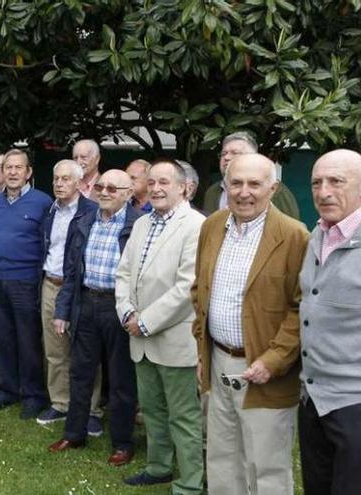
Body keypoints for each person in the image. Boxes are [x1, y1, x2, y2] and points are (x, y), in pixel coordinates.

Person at [192, 153, 308, 494]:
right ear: (224, 186)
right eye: (236, 183)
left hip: (266, 372)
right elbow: (199, 288)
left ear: (272, 188)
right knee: (222, 459)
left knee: (266, 466)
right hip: (218, 363)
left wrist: (272, 360)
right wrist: (202, 349)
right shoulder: (212, 226)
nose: (244, 192)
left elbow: (301, 308)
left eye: (255, 184)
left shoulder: (294, 235)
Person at [115, 160, 205, 491]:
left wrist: (146, 322)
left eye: (164, 182)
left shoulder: (196, 225)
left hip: (173, 336)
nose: (156, 188)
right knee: (152, 410)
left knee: (183, 416)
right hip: (139, 337)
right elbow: (123, 273)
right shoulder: (141, 224)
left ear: (184, 187)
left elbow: (188, 286)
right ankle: (158, 467)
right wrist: (126, 313)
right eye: (151, 182)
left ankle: (191, 482)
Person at [48, 169, 142, 467]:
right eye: (100, 186)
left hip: (119, 307)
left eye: (113, 189)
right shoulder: (85, 220)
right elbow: (71, 271)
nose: (104, 192)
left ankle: (122, 442)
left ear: (129, 193)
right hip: (86, 303)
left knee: (121, 379)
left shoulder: (138, 224)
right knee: (80, 373)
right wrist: (63, 310)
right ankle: (74, 433)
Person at [298, 149, 361, 494]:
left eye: (336, 181)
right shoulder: (318, 234)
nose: (323, 192)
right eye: (317, 183)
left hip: (354, 404)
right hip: (312, 400)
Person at [0, 149, 51, 419]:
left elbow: (48, 243)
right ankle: (8, 389)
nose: (11, 172)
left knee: (27, 340)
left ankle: (34, 395)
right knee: (3, 338)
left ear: (28, 173)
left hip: (26, 280)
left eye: (17, 168)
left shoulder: (42, 202)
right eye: (7, 167)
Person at [36, 159, 100, 425]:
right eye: (56, 179)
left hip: (79, 290)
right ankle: (60, 403)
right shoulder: (51, 211)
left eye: (65, 179)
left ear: (79, 182)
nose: (59, 184)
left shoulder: (92, 211)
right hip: (51, 284)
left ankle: (91, 410)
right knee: (55, 350)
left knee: (86, 352)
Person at [202, 132, 300, 219]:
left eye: (234, 153)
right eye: (224, 153)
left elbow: (291, 234)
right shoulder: (212, 192)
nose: (226, 157)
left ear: (252, 157)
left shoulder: (275, 191)